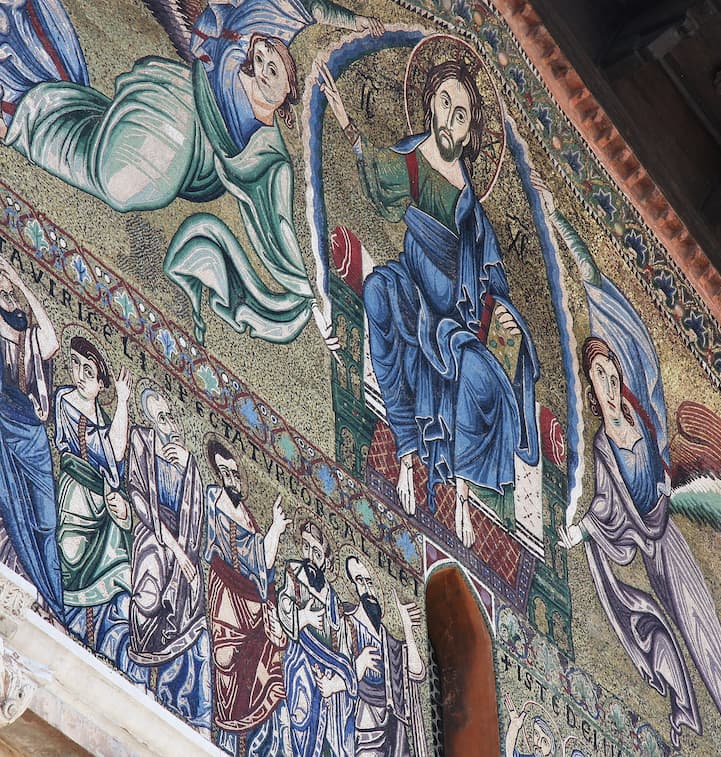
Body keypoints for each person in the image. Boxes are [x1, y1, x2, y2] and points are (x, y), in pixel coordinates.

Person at [0, 0, 384, 348]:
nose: (264, 69)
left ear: (289, 93)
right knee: (124, 184)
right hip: (172, 106)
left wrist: (313, 306)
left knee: (124, 181)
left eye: (275, 70)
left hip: (190, 167)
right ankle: (26, 120)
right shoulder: (243, 42)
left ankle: (35, 110)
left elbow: (282, 231)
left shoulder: (270, 158)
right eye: (263, 57)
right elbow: (309, 8)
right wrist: (356, 21)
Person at [318, 53, 539, 548]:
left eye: (461, 114)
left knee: (480, 373)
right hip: (412, 290)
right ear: (430, 105)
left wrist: (504, 317)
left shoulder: (473, 211)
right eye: (444, 104)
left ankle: (461, 493)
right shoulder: (413, 161)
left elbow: (493, 281)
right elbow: (378, 178)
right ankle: (406, 450)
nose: (449, 120)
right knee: (378, 292)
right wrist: (348, 124)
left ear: (469, 131)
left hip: (457, 320)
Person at [559, 338, 721, 756]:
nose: (609, 386)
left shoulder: (638, 421)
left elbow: (659, 473)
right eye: (599, 377)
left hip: (674, 543)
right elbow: (606, 503)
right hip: (656, 557)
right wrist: (581, 532)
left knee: (708, 626)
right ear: (591, 388)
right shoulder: (603, 446)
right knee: (695, 634)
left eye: (612, 376)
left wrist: (666, 487)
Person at [54, 337, 144, 681]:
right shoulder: (66, 400)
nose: (79, 375)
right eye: (75, 365)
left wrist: (122, 401)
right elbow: (108, 450)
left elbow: (114, 455)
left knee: (121, 570)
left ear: (101, 382)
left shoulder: (104, 418)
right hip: (76, 497)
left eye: (88, 371)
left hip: (101, 507)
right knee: (69, 554)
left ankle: (105, 648)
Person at [126, 386, 211, 732]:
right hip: (152, 534)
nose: (169, 422)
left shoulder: (185, 460)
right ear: (149, 418)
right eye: (161, 416)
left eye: (171, 415)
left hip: (183, 542)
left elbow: (197, 514)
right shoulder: (141, 441)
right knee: (150, 578)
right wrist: (174, 548)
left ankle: (181, 700)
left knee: (194, 597)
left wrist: (189, 465)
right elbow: (137, 497)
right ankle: (136, 670)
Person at [204, 440, 291, 755]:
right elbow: (236, 555)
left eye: (234, 472)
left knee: (261, 676)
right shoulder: (215, 501)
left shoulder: (249, 518)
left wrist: (275, 530)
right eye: (224, 472)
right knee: (227, 664)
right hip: (229, 603)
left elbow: (261, 567)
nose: (231, 478)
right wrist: (274, 531)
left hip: (253, 608)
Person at [0, 257, 62, 620]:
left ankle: (50, 599)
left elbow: (51, 341)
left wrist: (21, 282)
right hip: (4, 429)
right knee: (9, 510)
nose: (6, 291)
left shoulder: (27, 332)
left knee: (46, 522)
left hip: (33, 437)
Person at [277, 521, 357, 757]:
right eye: (306, 547)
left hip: (325, 676)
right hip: (300, 664)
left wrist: (334, 679)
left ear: (327, 561)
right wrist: (303, 617)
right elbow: (283, 603)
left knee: (325, 733)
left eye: (317, 552)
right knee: (299, 716)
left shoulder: (334, 601)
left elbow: (342, 646)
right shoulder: (294, 572)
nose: (310, 557)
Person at [341, 555, 427, 757]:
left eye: (370, 582)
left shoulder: (387, 638)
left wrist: (407, 628)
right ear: (353, 585)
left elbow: (417, 672)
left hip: (392, 728)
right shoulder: (346, 623)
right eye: (360, 581)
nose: (367, 589)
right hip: (364, 724)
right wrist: (358, 665)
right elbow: (334, 675)